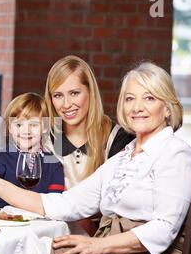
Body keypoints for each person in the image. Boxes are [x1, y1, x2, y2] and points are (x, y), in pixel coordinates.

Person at [0, 62, 191, 254]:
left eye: (149, 98)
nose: (137, 107)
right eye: (130, 98)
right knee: (32, 252)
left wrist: (97, 246)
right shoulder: (124, 157)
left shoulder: (176, 153)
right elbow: (67, 203)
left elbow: (163, 228)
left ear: (168, 107)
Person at [43, 55, 135, 234]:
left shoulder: (116, 138)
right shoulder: (46, 138)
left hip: (102, 238)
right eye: (58, 95)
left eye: (74, 93)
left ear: (90, 92)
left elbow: (120, 204)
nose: (66, 104)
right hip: (52, 232)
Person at [0, 92, 64, 208]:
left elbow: (55, 203)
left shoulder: (54, 164)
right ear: (10, 127)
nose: (26, 131)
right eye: (19, 125)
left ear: (45, 127)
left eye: (34, 125)